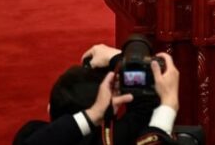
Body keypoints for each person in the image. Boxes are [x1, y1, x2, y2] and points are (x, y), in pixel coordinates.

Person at [13, 44, 179, 145]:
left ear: (50, 109)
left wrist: (92, 115)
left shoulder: (29, 134)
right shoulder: (118, 138)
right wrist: (169, 103)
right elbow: (145, 109)